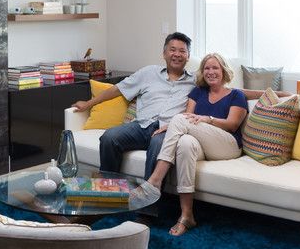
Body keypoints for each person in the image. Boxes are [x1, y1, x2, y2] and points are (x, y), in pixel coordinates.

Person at [142, 52, 249, 236]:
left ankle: (155, 179)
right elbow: (186, 119)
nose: (211, 72)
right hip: (201, 144)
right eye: (207, 68)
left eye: (215, 67)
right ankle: (186, 215)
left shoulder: (236, 95)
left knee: (180, 122)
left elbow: (232, 125)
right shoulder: (198, 92)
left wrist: (207, 119)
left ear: (223, 70)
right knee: (184, 143)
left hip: (227, 145)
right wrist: (170, 126)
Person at [72, 32, 194, 179]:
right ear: (164, 53)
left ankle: (149, 197)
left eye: (182, 51)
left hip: (167, 130)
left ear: (188, 56)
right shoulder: (149, 72)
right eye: (172, 49)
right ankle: (109, 188)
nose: (177, 54)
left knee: (158, 145)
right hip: (141, 126)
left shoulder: (195, 81)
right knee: (109, 137)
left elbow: (216, 77)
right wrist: (88, 104)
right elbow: (118, 89)